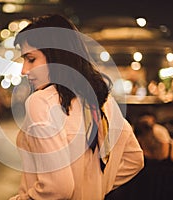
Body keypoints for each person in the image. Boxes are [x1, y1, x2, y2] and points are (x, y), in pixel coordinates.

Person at [9, 14, 144, 200]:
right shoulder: (103, 100)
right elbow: (134, 159)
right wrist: (97, 185)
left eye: (31, 59)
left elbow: (57, 187)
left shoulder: (41, 102)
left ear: (56, 55)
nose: (24, 70)